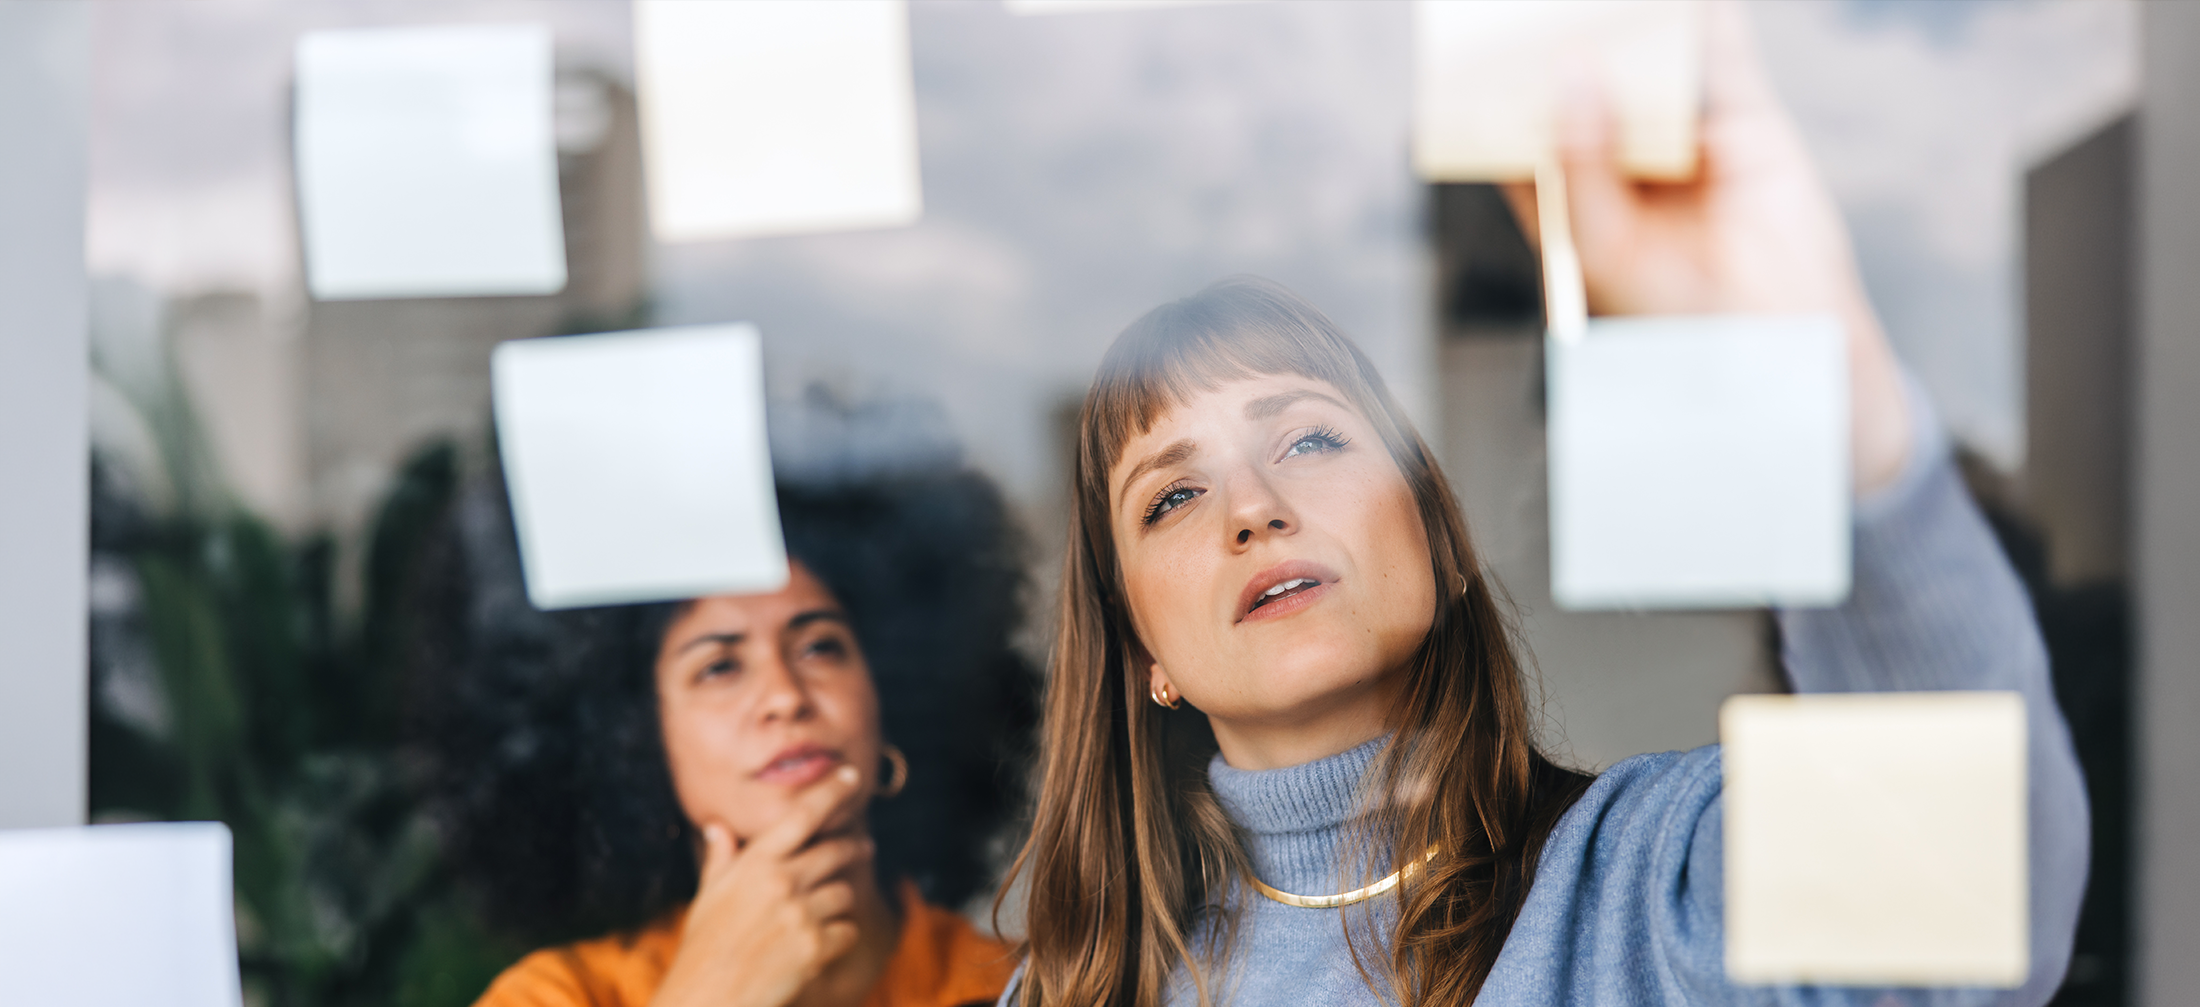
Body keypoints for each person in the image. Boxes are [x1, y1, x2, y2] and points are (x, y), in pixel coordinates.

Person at [997, 7, 2086, 1007]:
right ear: (1144, 652)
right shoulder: (1069, 990)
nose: (1252, 507)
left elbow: (1974, 893)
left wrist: (1833, 385)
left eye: (1308, 438)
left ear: (1441, 538)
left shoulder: (1654, 887)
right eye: (1174, 494)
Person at [410, 457, 1037, 1007]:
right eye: (720, 667)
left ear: (890, 697)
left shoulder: (1020, 987)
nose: (785, 697)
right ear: (637, 741)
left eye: (820, 647)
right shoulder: (560, 995)